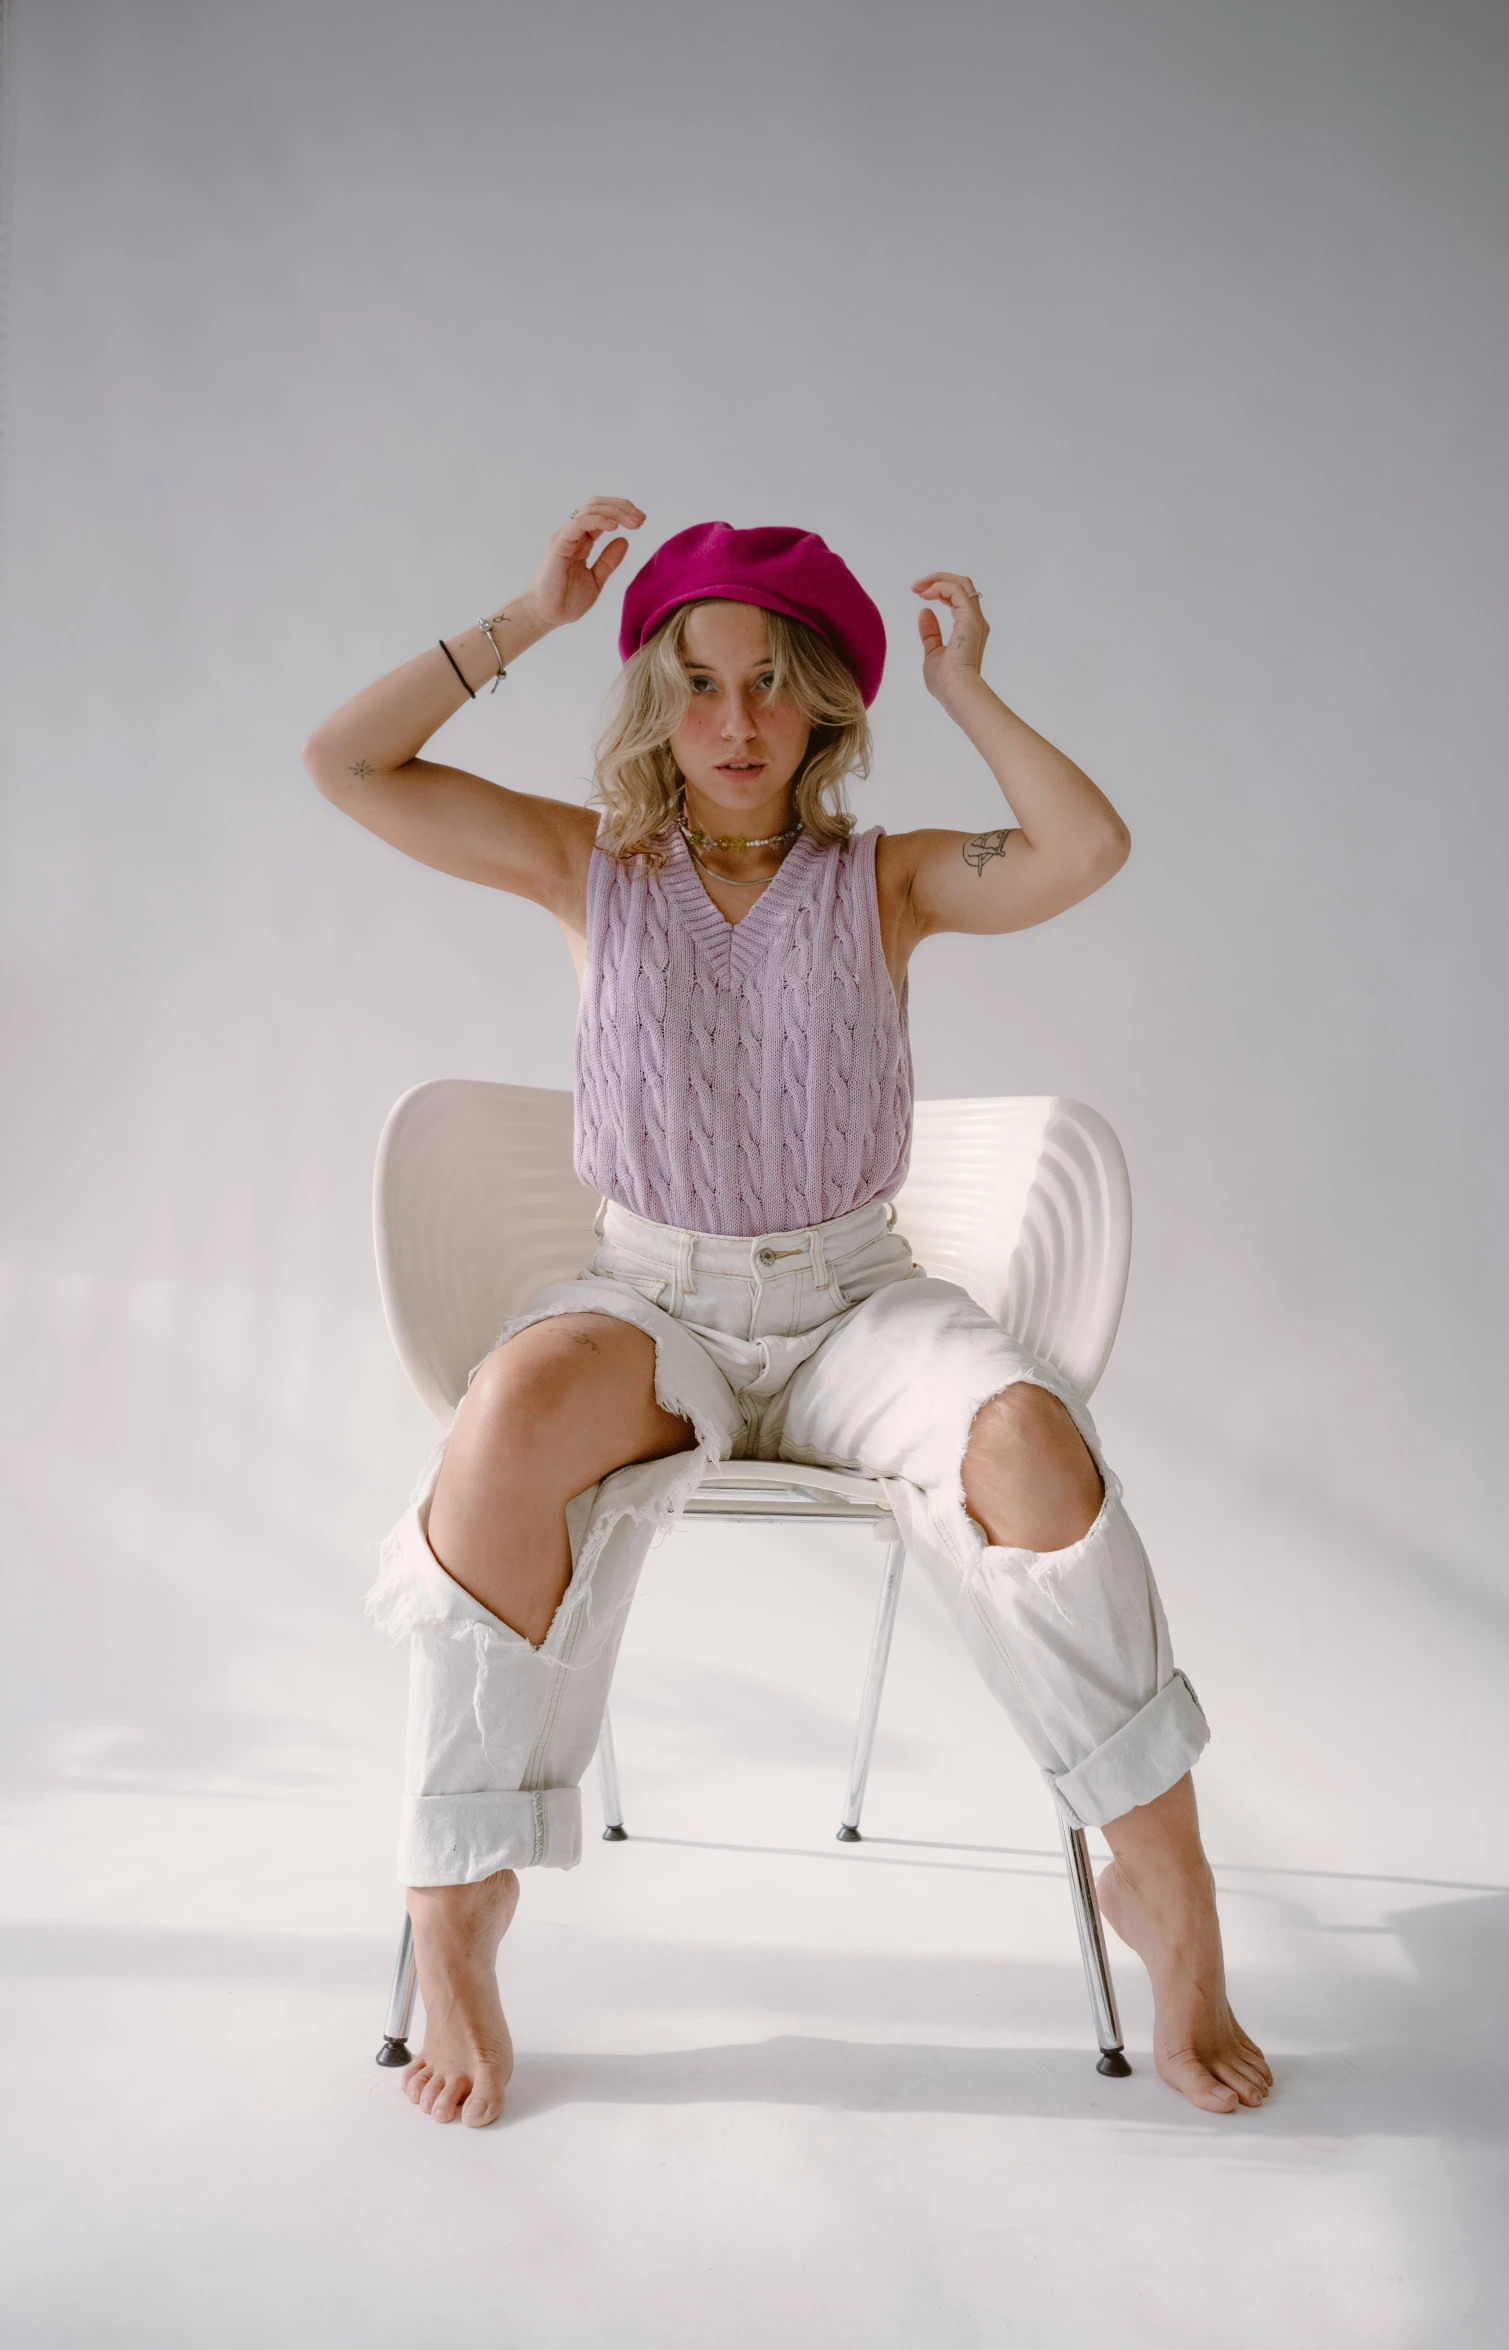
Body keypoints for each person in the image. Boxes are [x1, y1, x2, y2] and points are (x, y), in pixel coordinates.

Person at [303, 498, 1272, 2130]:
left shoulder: (880, 881)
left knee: (1031, 1440)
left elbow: (1084, 851)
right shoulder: (583, 862)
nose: (734, 720)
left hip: (852, 1305)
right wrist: (528, 618)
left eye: (770, 681)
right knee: (504, 1422)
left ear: (823, 698)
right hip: (649, 1297)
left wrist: (966, 693)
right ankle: (453, 1896)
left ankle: (1165, 1886)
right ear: (651, 703)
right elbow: (349, 765)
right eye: (695, 681)